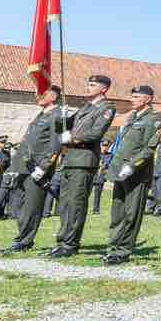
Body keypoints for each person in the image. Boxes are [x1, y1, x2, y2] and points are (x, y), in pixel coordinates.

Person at [49, 73, 116, 257]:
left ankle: (71, 244)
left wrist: (72, 138)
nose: (88, 87)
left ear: (103, 89)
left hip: (84, 160)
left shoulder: (106, 108)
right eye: (88, 84)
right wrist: (60, 116)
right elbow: (64, 126)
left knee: (76, 204)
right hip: (70, 159)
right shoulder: (85, 107)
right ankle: (63, 240)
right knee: (65, 203)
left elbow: (95, 134)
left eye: (93, 85)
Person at [3, 86, 65, 253]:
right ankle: (22, 237)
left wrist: (44, 167)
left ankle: (24, 241)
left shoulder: (58, 115)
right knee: (20, 203)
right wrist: (14, 166)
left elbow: (56, 144)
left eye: (43, 94)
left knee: (32, 206)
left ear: (53, 97)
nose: (38, 96)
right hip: (24, 166)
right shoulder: (42, 114)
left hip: (37, 168)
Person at [104, 86, 161, 264]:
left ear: (148, 99)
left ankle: (123, 251)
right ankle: (112, 248)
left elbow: (148, 149)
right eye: (132, 96)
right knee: (117, 213)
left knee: (131, 214)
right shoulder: (132, 118)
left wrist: (132, 166)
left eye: (136, 97)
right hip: (120, 172)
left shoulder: (153, 121)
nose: (132, 99)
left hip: (136, 174)